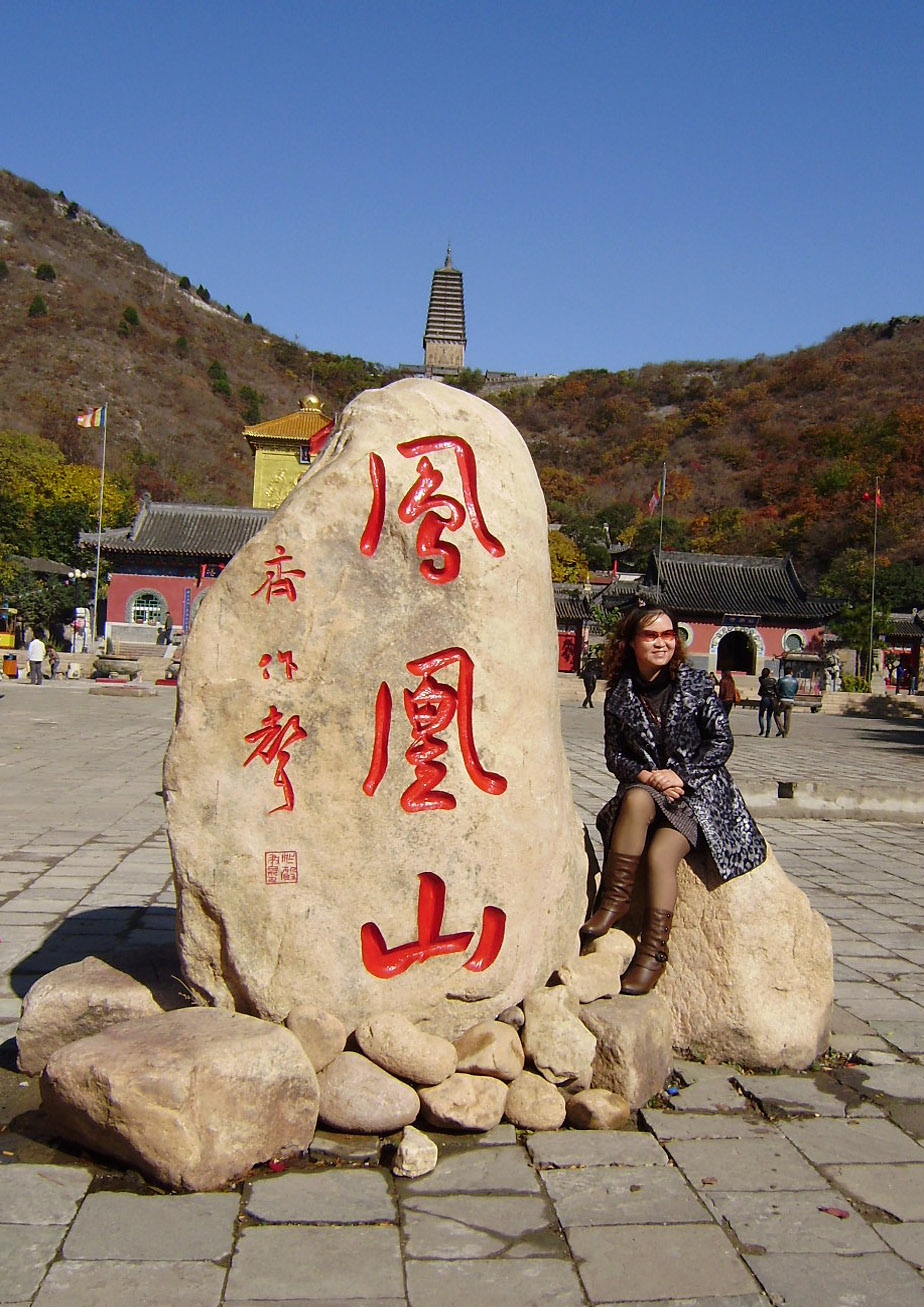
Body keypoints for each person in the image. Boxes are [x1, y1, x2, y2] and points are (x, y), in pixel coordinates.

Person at [582, 606, 767, 995]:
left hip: (697, 794)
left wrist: (680, 776)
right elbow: (615, 756)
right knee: (635, 797)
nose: (662, 642)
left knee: (660, 857)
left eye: (668, 635)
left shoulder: (697, 683)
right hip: (649, 791)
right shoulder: (619, 693)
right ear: (631, 643)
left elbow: (722, 742)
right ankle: (614, 901)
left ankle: (652, 954)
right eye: (651, 636)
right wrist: (649, 776)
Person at [776, 665, 799, 737]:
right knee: (788, 717)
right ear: (791, 672)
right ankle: (786, 733)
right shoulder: (795, 681)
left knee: (777, 714)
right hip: (791, 700)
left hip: (783, 699)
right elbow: (796, 691)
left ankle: (781, 728)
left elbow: (777, 689)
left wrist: (778, 697)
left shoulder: (781, 680)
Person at [757, 667, 779, 737]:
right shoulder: (773, 680)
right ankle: (768, 731)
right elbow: (776, 690)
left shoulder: (762, 680)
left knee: (761, 714)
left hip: (765, 698)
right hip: (772, 698)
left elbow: (760, 678)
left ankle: (762, 729)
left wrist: (767, 674)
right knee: (769, 716)